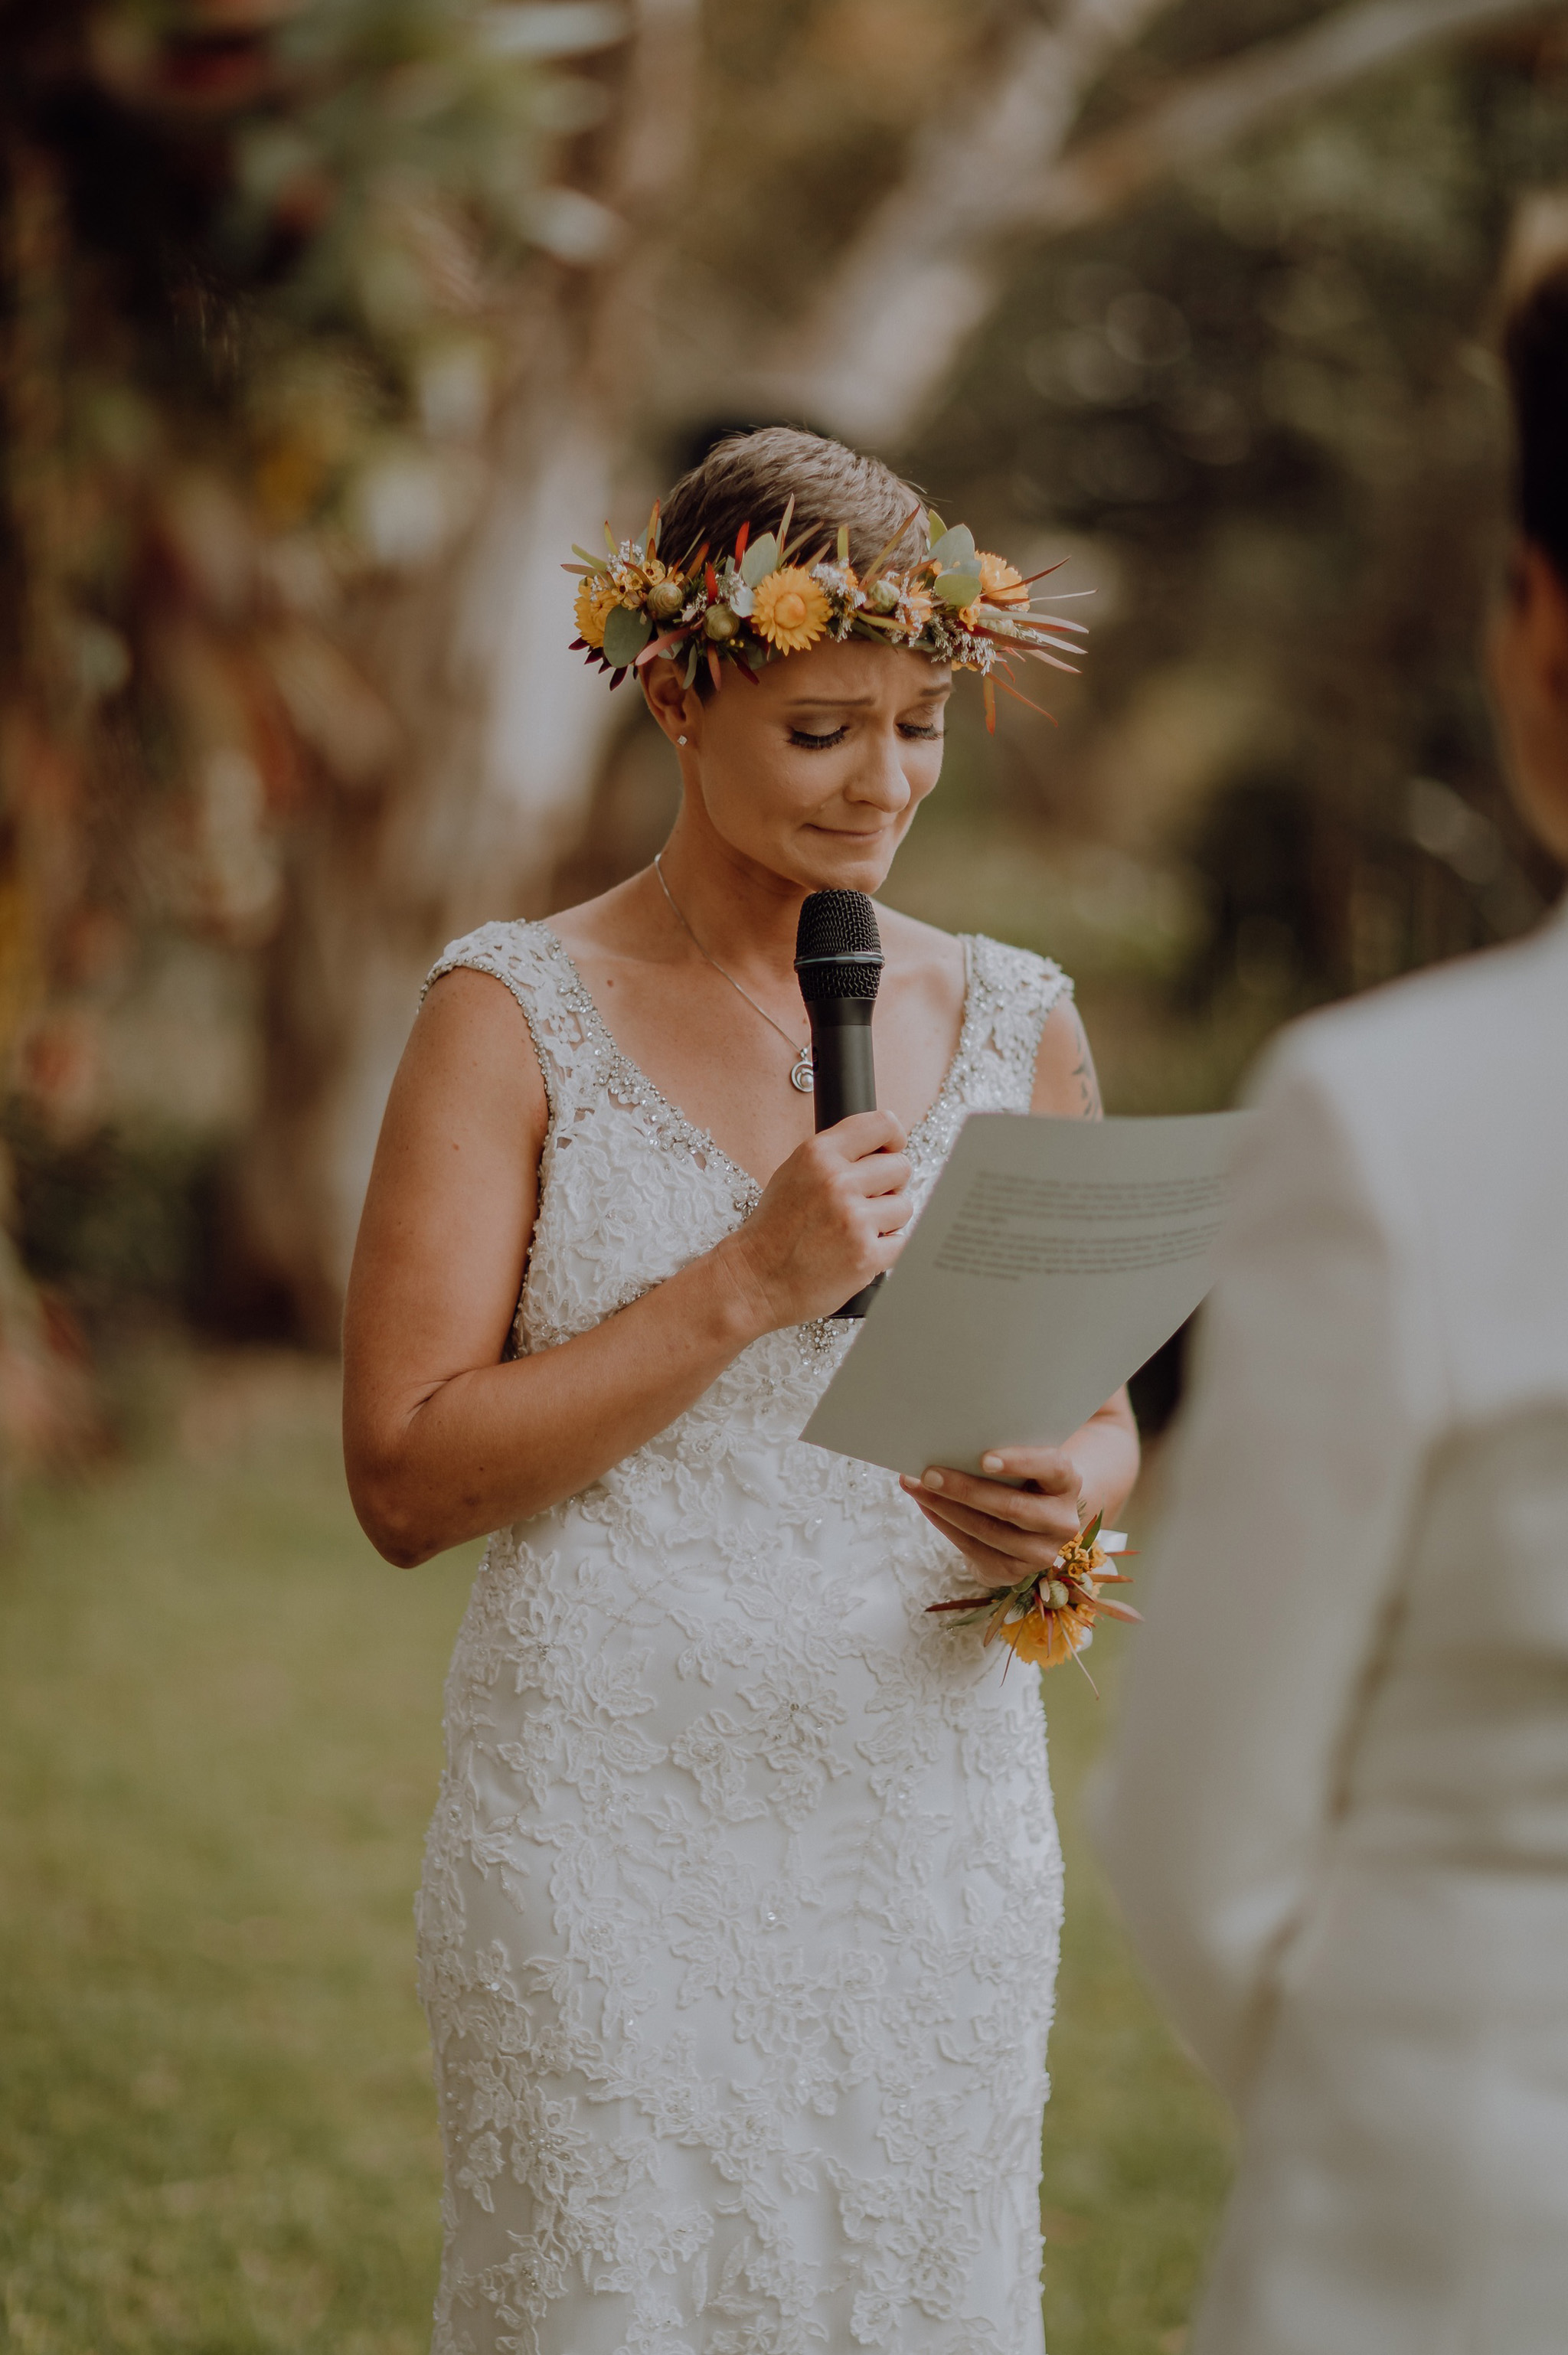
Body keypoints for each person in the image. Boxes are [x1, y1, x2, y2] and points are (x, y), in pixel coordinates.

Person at [341, 426, 1139, 2355]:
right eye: (825, 728)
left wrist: (1077, 1486)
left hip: (923, 1825)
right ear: (684, 691)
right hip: (607, 1821)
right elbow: (403, 1475)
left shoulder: (1021, 1016)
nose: (887, 783)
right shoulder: (505, 1010)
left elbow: (1099, 1405)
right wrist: (745, 1285)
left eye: (923, 722)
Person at [1081, 224, 1568, 2353]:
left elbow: (1205, 1842)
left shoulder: (1400, 1121)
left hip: (1450, 2213)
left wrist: (1395, 2079)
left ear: (1538, 633)